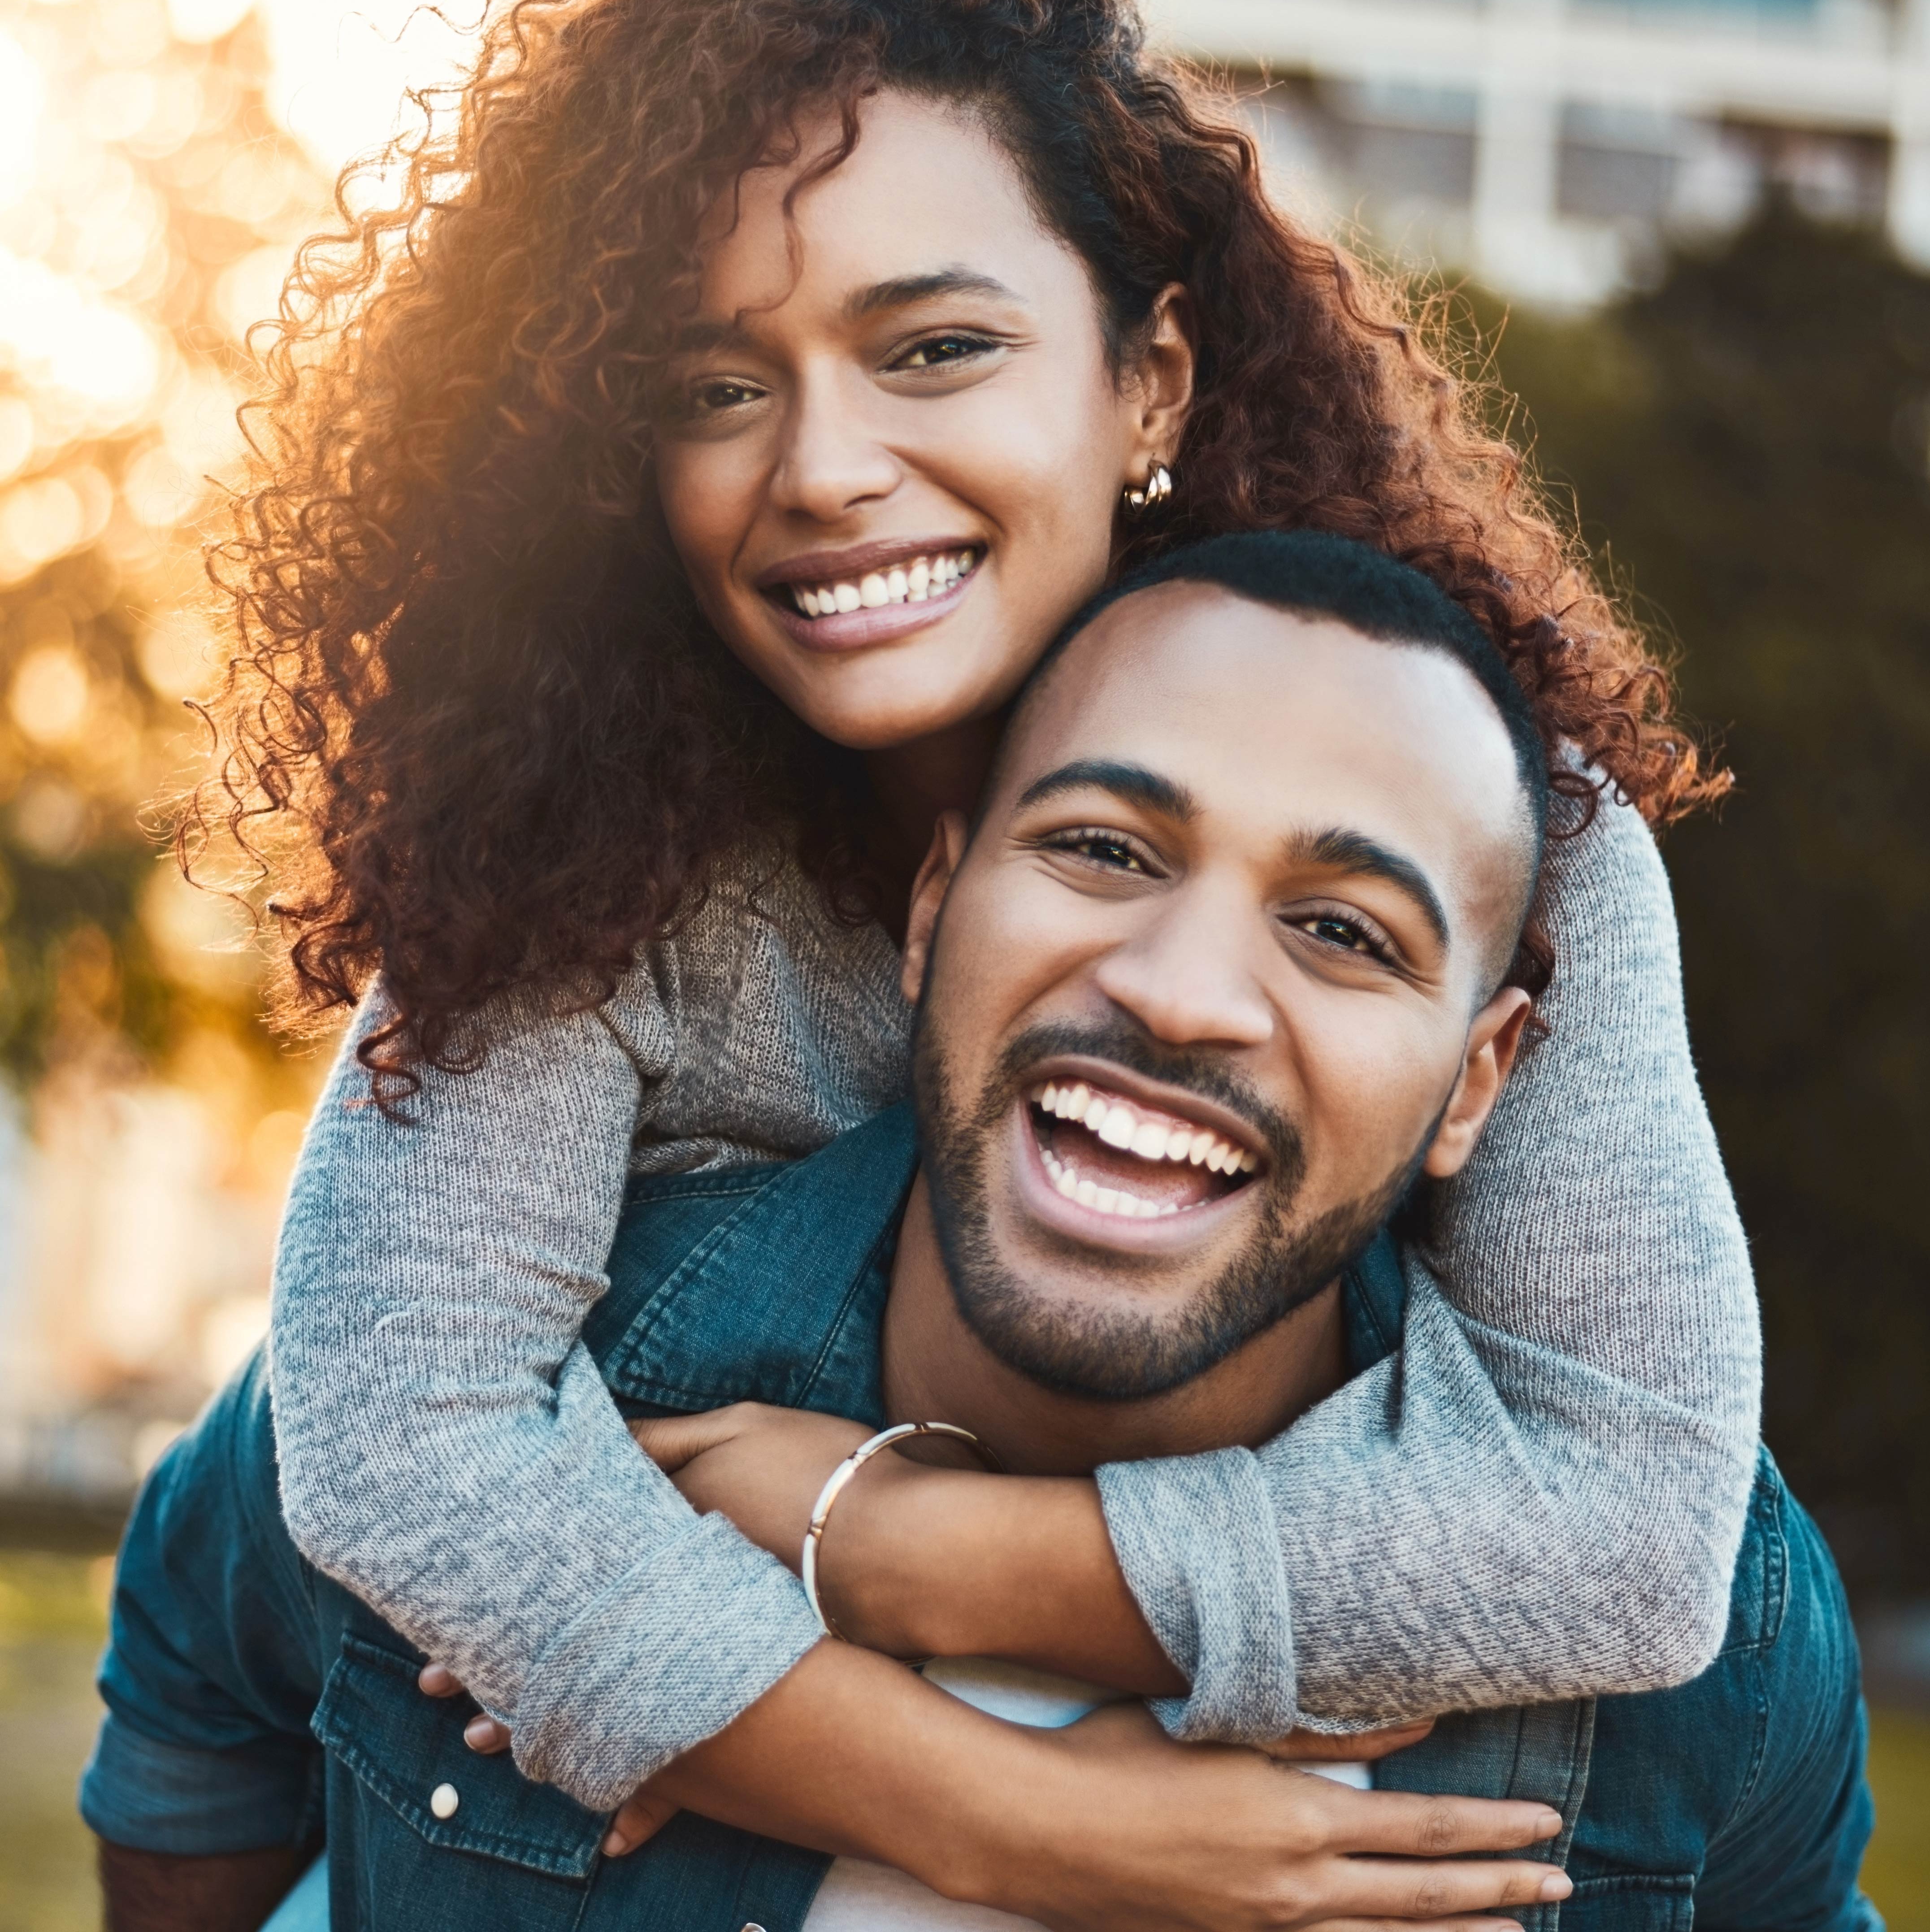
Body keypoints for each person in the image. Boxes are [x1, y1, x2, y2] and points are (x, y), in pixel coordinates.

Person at [194, 0, 1758, 1825]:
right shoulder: (575, 834)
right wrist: (1044, 1826)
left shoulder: (1482, 813)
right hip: (244, 1673)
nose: (826, 469)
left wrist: (899, 1548)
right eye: (714, 387)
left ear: (1151, 381)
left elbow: (1632, 1528)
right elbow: (404, 1439)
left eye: (934, 348)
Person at [91, 537, 1871, 1932]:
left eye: (1342, 932)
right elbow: (198, 1655)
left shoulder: (1716, 1648)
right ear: (935, 908)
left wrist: (887, 1554)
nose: (1185, 998)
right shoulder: (527, 1425)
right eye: (1104, 849)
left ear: (1483, 1079)